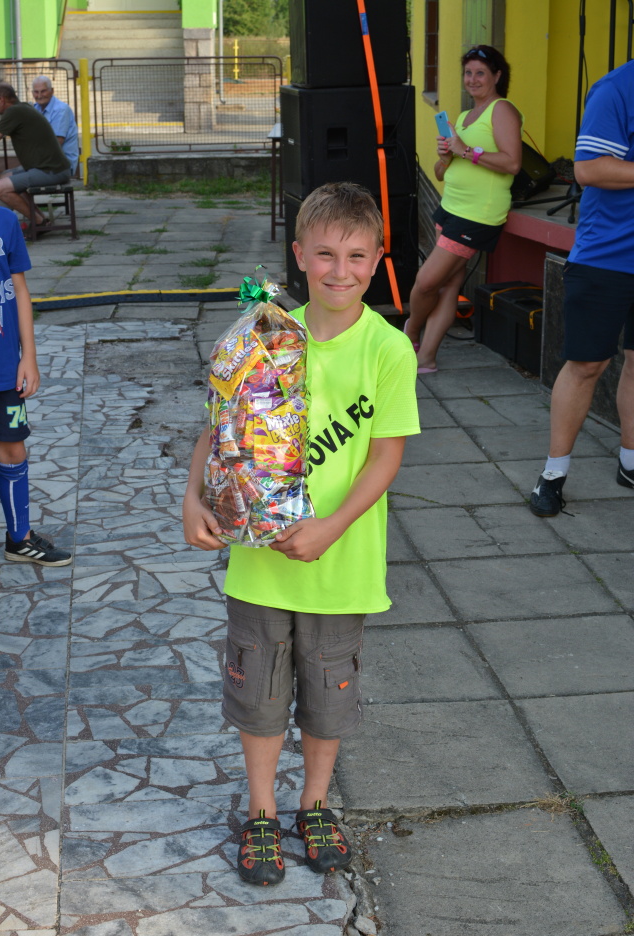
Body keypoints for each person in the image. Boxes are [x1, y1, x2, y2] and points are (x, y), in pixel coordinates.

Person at [183, 182, 420, 886]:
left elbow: (386, 457)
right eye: (325, 255)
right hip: (260, 566)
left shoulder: (388, 350)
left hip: (340, 566)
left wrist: (332, 527)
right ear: (299, 256)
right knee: (258, 696)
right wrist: (192, 498)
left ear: (377, 260)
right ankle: (261, 812)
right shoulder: (265, 336)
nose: (340, 271)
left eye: (356, 256)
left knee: (328, 696)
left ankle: (314, 805)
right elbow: (219, 430)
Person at [530, 60, 634, 517]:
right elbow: (589, 169)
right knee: (587, 365)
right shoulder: (616, 89)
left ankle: (630, 463)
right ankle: (553, 474)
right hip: (606, 257)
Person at [404, 45, 522, 373]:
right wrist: (446, 157)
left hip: (476, 214)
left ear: (497, 76)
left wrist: (466, 150)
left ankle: (410, 333)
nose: (472, 79)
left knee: (426, 281)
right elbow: (442, 172)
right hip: (451, 207)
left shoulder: (502, 110)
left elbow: (512, 163)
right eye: (468, 73)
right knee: (448, 286)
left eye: (480, 73)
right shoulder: (464, 117)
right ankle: (426, 359)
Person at [0, 205, 72, 565]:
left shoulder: (5, 220)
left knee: (12, 449)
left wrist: (29, 356)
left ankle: (19, 539)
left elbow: (20, 290)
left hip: (3, 368)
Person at [0, 83, 70, 229]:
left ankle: (38, 223)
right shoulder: (22, 107)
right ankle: (40, 218)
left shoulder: (14, 111)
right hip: (50, 167)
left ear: (1, 100)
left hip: (51, 170)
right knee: (5, 176)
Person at [32, 75, 79, 177]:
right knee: (8, 176)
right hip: (44, 163)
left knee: (9, 181)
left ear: (52, 91)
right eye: (36, 92)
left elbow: (56, 142)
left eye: (43, 91)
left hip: (60, 167)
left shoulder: (61, 109)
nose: (39, 95)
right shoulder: (35, 108)